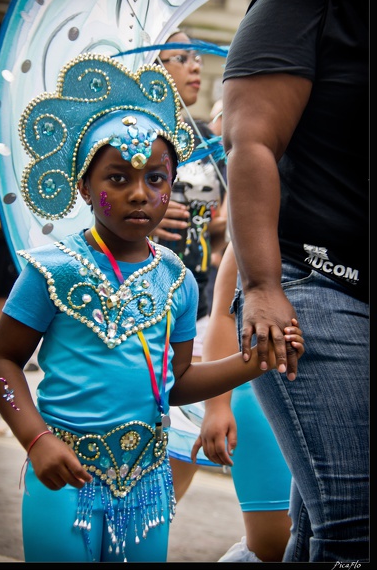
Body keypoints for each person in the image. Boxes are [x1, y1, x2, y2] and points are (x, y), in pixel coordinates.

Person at [0, 53, 304, 563]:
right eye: (117, 179)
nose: (139, 194)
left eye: (156, 179)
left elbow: (175, 382)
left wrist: (255, 361)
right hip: (63, 471)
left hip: (147, 485)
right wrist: (36, 439)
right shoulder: (52, 269)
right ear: (85, 186)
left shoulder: (176, 279)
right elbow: (2, 362)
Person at [222, 0, 369, 562]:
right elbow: (249, 138)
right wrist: (261, 287)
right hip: (315, 285)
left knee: (313, 534)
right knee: (354, 530)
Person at [152, 31, 229, 499]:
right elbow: (96, 202)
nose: (195, 66)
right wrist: (143, 225)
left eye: (197, 57)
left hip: (198, 295)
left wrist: (224, 233)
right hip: (147, 289)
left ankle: (157, 522)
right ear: (155, 65)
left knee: (184, 425)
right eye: (182, 57)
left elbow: (213, 228)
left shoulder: (200, 134)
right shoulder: (133, 130)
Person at [192, 242, 292, 562]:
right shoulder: (249, 236)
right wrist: (217, 406)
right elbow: (222, 315)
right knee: (273, 543)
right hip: (261, 392)